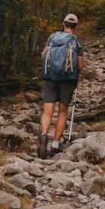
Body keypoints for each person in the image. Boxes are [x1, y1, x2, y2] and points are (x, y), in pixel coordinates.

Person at [38, 13, 84, 158]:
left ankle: (44, 135)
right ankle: (55, 145)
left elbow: (43, 55)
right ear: (75, 27)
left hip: (51, 78)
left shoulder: (52, 37)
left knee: (47, 111)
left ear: (63, 24)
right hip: (68, 80)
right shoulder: (77, 42)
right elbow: (81, 66)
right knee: (62, 111)